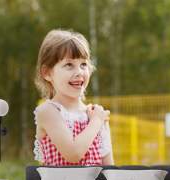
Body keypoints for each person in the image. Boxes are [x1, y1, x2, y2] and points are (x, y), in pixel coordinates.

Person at [33, 29, 114, 166]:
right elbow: (73, 154)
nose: (79, 72)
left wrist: (98, 120)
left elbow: (109, 168)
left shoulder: (95, 114)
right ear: (47, 73)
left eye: (83, 64)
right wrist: (96, 121)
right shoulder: (48, 111)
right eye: (69, 65)